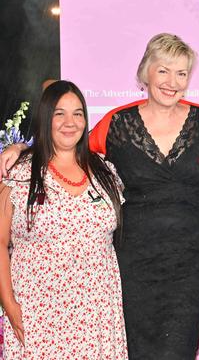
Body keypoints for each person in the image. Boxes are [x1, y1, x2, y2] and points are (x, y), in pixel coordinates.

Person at [0, 33, 199, 359]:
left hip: (193, 261)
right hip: (132, 261)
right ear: (146, 73)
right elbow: (71, 147)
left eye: (181, 73)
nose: (172, 82)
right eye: (163, 71)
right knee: (136, 351)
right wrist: (24, 149)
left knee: (176, 350)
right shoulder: (118, 122)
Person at [0, 80, 127, 358]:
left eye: (78, 113)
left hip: (97, 316)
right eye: (60, 113)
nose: (70, 122)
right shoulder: (19, 174)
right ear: (46, 118)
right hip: (38, 314)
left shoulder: (105, 171)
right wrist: (9, 304)